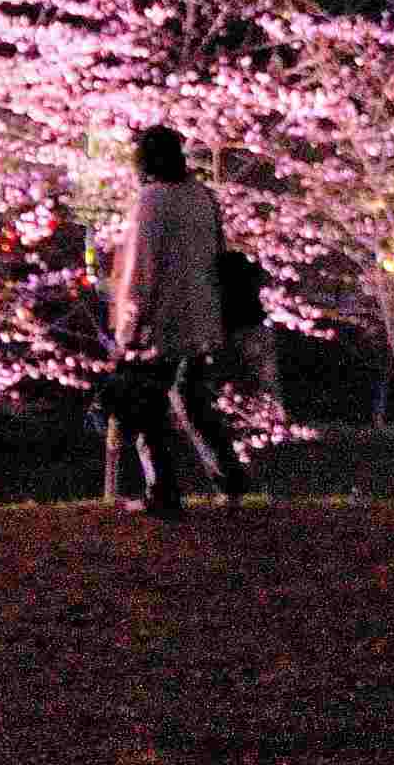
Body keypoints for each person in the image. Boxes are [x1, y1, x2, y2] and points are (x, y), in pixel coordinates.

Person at [107, 123, 245, 518]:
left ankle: (163, 493)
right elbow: (218, 254)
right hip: (204, 318)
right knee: (193, 401)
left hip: (165, 323)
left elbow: (142, 272)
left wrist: (128, 329)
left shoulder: (152, 201)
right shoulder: (203, 197)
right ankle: (229, 480)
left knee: (145, 410)